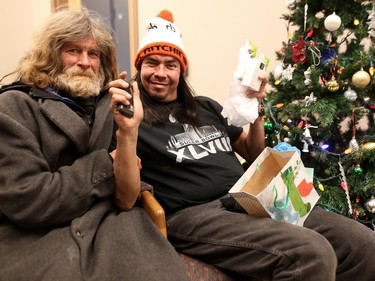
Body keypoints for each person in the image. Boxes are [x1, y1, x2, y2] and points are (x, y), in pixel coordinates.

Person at [110, 10, 375, 281]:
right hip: (195, 214)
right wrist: (128, 131)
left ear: (182, 70)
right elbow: (125, 196)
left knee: (363, 243)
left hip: (248, 198)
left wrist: (256, 110)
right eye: (152, 63)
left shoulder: (205, 106)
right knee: (311, 253)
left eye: (170, 65)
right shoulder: (131, 117)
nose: (160, 73)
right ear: (139, 67)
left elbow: (253, 151)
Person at [0, 8, 190, 281]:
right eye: (73, 51)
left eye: (93, 54)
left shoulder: (111, 106)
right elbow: (28, 199)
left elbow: (126, 198)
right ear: (51, 55)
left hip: (115, 227)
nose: (85, 62)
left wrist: (128, 132)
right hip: (37, 238)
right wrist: (107, 164)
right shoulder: (13, 107)